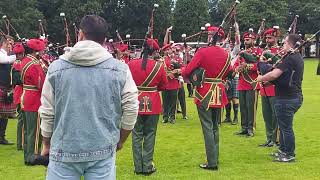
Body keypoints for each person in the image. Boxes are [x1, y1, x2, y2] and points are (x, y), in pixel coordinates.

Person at [39, 15, 139, 179]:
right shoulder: (119, 69)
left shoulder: (56, 68)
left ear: (80, 34)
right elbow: (131, 108)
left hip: (64, 151)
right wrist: (121, 140)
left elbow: (48, 111)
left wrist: (46, 142)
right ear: (104, 39)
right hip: (102, 150)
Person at [176, 26, 232, 170]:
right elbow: (228, 72)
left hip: (204, 92)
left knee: (207, 127)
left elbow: (188, 70)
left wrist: (182, 71)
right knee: (215, 127)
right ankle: (215, 158)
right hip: (218, 92)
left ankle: (211, 162)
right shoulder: (227, 54)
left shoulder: (203, 52)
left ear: (210, 37)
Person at [257, 34, 304, 162]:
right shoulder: (297, 57)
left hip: (287, 99)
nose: (283, 45)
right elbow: (284, 77)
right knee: (283, 127)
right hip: (292, 96)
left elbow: (274, 74)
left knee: (286, 128)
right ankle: (283, 150)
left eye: (285, 43)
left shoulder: (290, 59)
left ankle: (289, 154)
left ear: (290, 44)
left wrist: (261, 78)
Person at [128, 38, 168, 175]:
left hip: (135, 102)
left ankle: (138, 167)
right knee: (150, 135)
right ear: (154, 51)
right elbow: (163, 86)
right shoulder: (159, 66)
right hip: (154, 103)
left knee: (136, 134)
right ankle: (147, 166)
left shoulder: (131, 64)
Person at [20, 39, 47, 165]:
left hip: (26, 96)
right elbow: (41, 83)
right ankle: (33, 157)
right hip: (34, 98)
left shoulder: (25, 61)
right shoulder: (34, 64)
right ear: (36, 51)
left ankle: (27, 155)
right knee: (35, 131)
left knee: (27, 130)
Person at [234, 31, 262, 137]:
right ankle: (244, 127)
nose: (245, 42)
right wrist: (238, 68)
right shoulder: (241, 52)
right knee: (243, 107)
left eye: (248, 40)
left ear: (253, 40)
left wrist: (247, 66)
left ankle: (251, 128)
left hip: (252, 83)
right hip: (241, 83)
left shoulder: (258, 51)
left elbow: (259, 65)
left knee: (251, 107)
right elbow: (235, 65)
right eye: (244, 40)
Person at [258, 27, 283, 147]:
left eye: (270, 37)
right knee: (266, 115)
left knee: (275, 116)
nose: (267, 40)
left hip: (274, 88)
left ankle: (275, 139)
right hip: (264, 89)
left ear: (276, 38)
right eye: (266, 37)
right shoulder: (263, 52)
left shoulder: (281, 52)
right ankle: (269, 138)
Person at [0, 35, 16, 145]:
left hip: (7, 87)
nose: (10, 46)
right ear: (4, 44)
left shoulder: (8, 54)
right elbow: (6, 60)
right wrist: (15, 52)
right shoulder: (2, 55)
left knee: (5, 114)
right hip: (1, 86)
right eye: (9, 44)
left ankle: (2, 137)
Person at [12, 43, 25, 150]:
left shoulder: (19, 63)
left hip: (22, 92)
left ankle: (21, 143)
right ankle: (19, 144)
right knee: (21, 119)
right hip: (20, 93)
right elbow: (18, 81)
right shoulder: (17, 64)